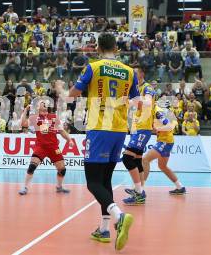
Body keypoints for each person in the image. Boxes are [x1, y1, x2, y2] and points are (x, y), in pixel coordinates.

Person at [66, 33, 138, 250]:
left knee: (93, 182)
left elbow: (73, 94)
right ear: (116, 48)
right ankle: (104, 229)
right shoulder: (130, 71)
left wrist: (68, 91)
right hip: (118, 129)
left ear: (98, 48)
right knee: (105, 181)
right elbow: (134, 101)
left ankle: (119, 216)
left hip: (99, 128)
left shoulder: (93, 67)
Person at [18, 102, 72, 195]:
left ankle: (59, 187)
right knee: (32, 167)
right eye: (43, 104)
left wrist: (69, 140)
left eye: (46, 104)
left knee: (62, 170)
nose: (45, 105)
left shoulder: (54, 117)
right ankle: (25, 188)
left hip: (54, 147)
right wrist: (25, 110)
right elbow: (23, 123)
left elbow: (61, 131)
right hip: (41, 147)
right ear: (38, 108)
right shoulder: (34, 117)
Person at [121, 67, 154, 205]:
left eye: (134, 73)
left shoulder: (147, 87)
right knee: (137, 161)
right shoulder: (133, 89)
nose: (132, 75)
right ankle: (139, 189)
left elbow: (148, 102)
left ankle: (139, 192)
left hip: (144, 128)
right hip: (136, 128)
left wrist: (133, 101)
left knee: (127, 158)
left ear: (141, 74)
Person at [142, 101, 186, 195]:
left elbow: (169, 127)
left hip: (165, 141)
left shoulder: (158, 112)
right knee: (162, 166)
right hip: (167, 140)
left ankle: (140, 189)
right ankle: (180, 187)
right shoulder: (158, 112)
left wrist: (157, 129)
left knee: (145, 160)